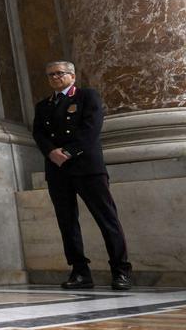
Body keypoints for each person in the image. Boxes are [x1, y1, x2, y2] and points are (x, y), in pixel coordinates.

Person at [32, 60, 132, 291]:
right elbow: (38, 133)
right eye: (50, 75)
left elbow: (91, 129)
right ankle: (80, 272)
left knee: (107, 219)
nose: (55, 77)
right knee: (67, 223)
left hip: (87, 167)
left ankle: (121, 271)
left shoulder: (87, 96)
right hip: (57, 170)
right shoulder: (43, 105)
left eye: (60, 73)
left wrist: (68, 152)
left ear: (72, 76)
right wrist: (51, 152)